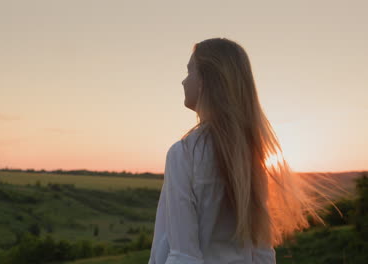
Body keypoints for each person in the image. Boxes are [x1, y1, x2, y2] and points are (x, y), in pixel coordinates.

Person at [148, 37, 346, 264]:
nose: (183, 81)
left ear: (205, 80)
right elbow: (263, 253)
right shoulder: (251, 156)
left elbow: (183, 255)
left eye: (189, 72)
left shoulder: (183, 154)